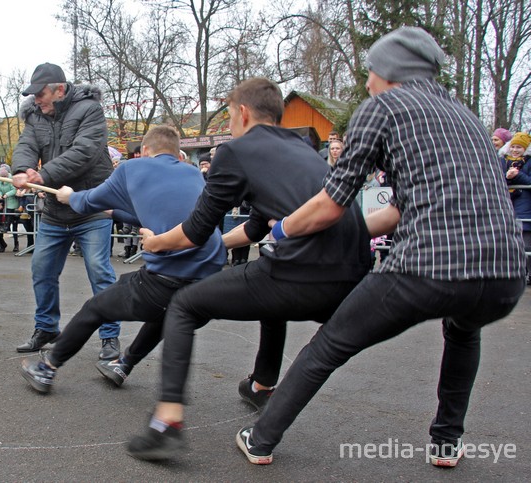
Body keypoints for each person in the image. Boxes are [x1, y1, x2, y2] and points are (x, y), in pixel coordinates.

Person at [224, 27, 525, 468]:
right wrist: (345, 234)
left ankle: (262, 437)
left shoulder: (381, 108)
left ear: (389, 71)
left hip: (426, 265)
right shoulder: (466, 117)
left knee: (329, 344)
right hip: (505, 274)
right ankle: (446, 442)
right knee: (463, 331)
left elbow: (331, 203)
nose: (366, 82)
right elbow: (398, 210)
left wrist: (285, 229)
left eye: (370, 71)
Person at [125, 77, 372, 461]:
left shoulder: (235, 152)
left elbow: (194, 231)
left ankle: (167, 423)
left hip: (302, 272)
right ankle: (262, 385)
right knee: (268, 298)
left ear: (241, 113)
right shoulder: (303, 148)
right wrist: (217, 244)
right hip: (353, 276)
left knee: (184, 305)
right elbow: (257, 227)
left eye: (228, 114)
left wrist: (156, 242)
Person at [19, 125, 226, 393]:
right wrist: (113, 213)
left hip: (166, 279)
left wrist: (69, 196)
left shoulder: (131, 168)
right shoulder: (193, 174)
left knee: (95, 308)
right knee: (170, 313)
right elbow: (154, 213)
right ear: (179, 154)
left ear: (144, 151)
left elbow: (87, 201)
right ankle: (123, 365)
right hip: (209, 287)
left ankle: (46, 369)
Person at [11, 62, 120, 360]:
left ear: (59, 89)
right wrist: (22, 169)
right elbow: (27, 144)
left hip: (90, 207)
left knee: (100, 272)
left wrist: (42, 176)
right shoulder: (35, 115)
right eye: (33, 95)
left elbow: (84, 152)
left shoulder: (89, 110)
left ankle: (110, 337)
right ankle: (46, 328)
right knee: (42, 270)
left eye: (41, 93)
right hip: (55, 212)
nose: (36, 100)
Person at [504, 132, 531, 284]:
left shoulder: (527, 163)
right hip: (511, 206)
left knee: (526, 244)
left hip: (525, 206)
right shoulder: (505, 161)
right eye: (513, 146)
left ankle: (528, 274)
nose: (515, 150)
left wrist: (517, 175)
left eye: (519, 147)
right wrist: (508, 177)